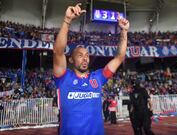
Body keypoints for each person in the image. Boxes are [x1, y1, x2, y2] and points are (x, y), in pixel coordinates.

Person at [52, 3, 129, 135]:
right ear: (71, 59)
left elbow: (119, 58)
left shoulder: (98, 77)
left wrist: (124, 31)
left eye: (87, 55)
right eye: (80, 55)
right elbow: (58, 52)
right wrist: (67, 21)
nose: (85, 58)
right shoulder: (63, 78)